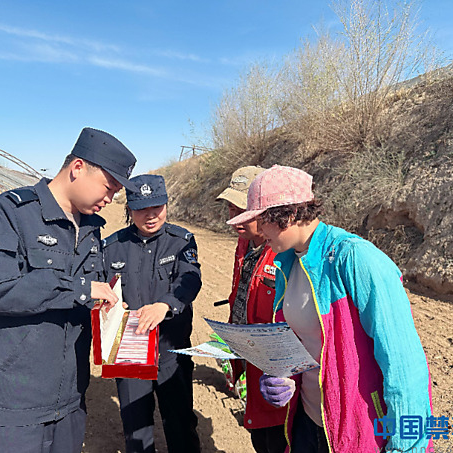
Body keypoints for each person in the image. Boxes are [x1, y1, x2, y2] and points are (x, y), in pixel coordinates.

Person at [227, 165, 433, 453]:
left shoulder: (355, 258)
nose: (258, 231)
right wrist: (284, 378)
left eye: (262, 220)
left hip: (357, 429)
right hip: (307, 423)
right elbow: (303, 342)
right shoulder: (287, 263)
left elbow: (404, 364)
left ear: (288, 215)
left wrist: (407, 447)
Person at [0, 127, 136, 453]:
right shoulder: (12, 213)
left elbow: (83, 296)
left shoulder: (91, 228)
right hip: (15, 406)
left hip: (70, 401)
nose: (110, 199)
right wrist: (79, 289)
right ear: (78, 168)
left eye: (116, 193)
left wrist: (107, 312)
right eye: (109, 188)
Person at [101, 174, 201, 453]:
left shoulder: (181, 242)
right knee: (136, 426)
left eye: (157, 207)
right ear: (129, 209)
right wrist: (108, 305)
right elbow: (100, 288)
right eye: (141, 209)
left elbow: (191, 279)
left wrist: (165, 304)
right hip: (129, 350)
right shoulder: (111, 247)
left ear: (166, 204)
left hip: (171, 348)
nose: (151, 215)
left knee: (180, 422)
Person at [216, 166, 289, 453]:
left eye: (242, 210)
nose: (234, 218)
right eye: (231, 209)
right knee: (258, 435)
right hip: (249, 358)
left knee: (277, 438)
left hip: (278, 372)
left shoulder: (285, 252)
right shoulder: (244, 242)